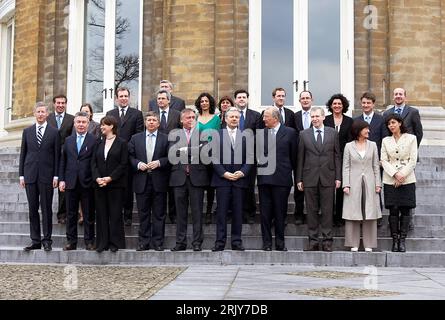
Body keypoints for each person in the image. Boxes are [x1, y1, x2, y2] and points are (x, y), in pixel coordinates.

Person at [297, 107, 341, 252]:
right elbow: (300, 158)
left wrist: (338, 177)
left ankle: (327, 241)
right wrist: (299, 179)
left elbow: (336, 156)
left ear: (323, 117)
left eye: (317, 116)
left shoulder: (333, 133)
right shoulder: (304, 134)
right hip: (309, 177)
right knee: (311, 210)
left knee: (328, 211)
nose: (314, 119)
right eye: (312, 116)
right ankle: (313, 241)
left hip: (328, 177)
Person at [19, 102, 60, 252]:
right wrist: (21, 175)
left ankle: (47, 240)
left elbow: (57, 156)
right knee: (32, 209)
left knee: (46, 209)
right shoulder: (27, 131)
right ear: (34, 113)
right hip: (30, 175)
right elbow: (23, 153)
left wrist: (56, 175)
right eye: (38, 112)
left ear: (47, 114)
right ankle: (35, 240)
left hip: (47, 176)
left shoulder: (54, 132)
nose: (41, 114)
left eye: (43, 112)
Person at [211, 107, 253, 251]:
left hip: (239, 180)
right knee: (221, 212)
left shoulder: (246, 136)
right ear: (226, 119)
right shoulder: (217, 135)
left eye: (237, 117)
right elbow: (214, 158)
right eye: (231, 117)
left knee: (238, 212)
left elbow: (250, 158)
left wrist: (242, 172)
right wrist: (224, 173)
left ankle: (236, 241)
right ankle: (220, 242)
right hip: (222, 180)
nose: (234, 119)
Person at [128, 112, 170, 251]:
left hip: (159, 180)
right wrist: (138, 164)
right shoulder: (135, 138)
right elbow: (129, 157)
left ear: (158, 123)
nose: (151, 122)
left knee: (159, 214)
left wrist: (159, 162)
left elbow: (170, 157)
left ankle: (158, 242)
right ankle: (143, 242)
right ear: (145, 122)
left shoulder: (166, 139)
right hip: (141, 180)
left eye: (154, 120)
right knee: (143, 213)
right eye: (149, 120)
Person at [257, 107, 298, 251]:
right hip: (264, 179)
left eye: (266, 116)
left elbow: (294, 157)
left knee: (280, 213)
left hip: (282, 179)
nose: (263, 119)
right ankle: (266, 243)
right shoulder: (260, 134)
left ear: (275, 118)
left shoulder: (290, 133)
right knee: (265, 213)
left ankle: (280, 243)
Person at [383, 88, 423, 231]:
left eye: (401, 94)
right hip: (392, 159)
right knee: (393, 197)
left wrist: (411, 149)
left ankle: (408, 221)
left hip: (407, 159)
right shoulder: (387, 113)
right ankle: (393, 222)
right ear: (393, 97)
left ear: (405, 96)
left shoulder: (413, 112)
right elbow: (385, 133)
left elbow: (419, 132)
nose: (398, 96)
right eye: (396, 94)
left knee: (407, 192)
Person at [169, 108, 209, 251]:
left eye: (193, 117)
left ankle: (197, 242)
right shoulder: (174, 135)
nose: (191, 119)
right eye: (188, 117)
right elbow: (172, 154)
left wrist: (184, 150)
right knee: (180, 213)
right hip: (179, 178)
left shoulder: (203, 134)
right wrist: (193, 150)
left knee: (197, 212)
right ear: (181, 120)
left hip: (196, 178)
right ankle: (180, 243)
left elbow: (205, 153)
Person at [59, 112, 97, 251]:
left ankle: (89, 241)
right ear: (74, 124)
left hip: (87, 183)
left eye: (83, 122)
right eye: (78, 122)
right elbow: (63, 161)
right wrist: (62, 179)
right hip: (70, 182)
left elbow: (95, 162)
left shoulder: (94, 140)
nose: (81, 125)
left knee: (88, 214)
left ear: (88, 124)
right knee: (71, 214)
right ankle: (71, 241)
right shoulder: (68, 141)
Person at [106, 87, 144, 226]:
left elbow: (138, 134)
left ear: (129, 97)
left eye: (125, 96)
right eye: (121, 96)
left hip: (128, 155)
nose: (123, 98)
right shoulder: (110, 113)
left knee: (127, 187)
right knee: (115, 186)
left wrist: (127, 149)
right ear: (116, 98)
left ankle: (127, 215)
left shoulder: (137, 114)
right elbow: (107, 133)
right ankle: (116, 214)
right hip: (113, 156)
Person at [342, 120, 382, 252]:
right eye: (366, 129)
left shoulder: (373, 145)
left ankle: (368, 243)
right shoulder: (348, 146)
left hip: (370, 182)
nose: (368, 131)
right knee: (353, 212)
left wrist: (378, 184)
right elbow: (346, 167)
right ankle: (353, 243)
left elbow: (376, 166)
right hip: (353, 183)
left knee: (369, 212)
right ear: (358, 130)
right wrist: (346, 184)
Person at [381, 114, 418, 253]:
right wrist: (395, 174)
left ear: (400, 123)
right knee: (393, 209)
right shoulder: (385, 140)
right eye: (389, 124)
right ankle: (394, 239)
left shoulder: (411, 138)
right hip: (390, 179)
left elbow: (413, 160)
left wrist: (402, 174)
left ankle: (402, 240)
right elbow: (383, 160)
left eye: (393, 123)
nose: (391, 125)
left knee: (406, 209)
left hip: (407, 178)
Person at [91, 116, 128, 252]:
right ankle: (102, 243)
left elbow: (123, 164)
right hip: (100, 185)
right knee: (101, 214)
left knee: (115, 214)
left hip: (115, 185)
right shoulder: (98, 143)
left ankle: (115, 243)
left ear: (111, 126)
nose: (101, 127)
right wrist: (97, 178)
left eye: (104, 125)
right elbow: (93, 163)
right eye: (101, 125)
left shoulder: (122, 143)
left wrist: (110, 178)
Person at [355, 92, 385, 227]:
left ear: (373, 104)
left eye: (368, 103)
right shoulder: (356, 120)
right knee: (361, 188)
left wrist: (382, 159)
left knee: (375, 188)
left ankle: (377, 215)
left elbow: (384, 140)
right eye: (364, 103)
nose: (366, 105)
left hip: (375, 160)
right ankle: (362, 214)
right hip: (360, 160)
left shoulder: (381, 120)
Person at [324, 93, 353, 227]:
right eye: (334, 104)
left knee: (341, 188)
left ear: (343, 106)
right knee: (328, 188)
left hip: (343, 157)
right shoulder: (326, 120)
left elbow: (350, 140)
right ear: (331, 105)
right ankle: (328, 216)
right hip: (327, 158)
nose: (337, 106)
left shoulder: (349, 121)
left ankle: (339, 216)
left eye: (339, 104)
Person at [234, 89, 262, 224]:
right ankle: (237, 212)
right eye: (239, 97)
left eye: (244, 97)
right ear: (235, 100)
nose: (241, 99)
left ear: (247, 99)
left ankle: (250, 213)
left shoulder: (256, 116)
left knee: (249, 185)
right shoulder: (230, 115)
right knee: (235, 184)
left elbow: (259, 134)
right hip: (232, 156)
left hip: (250, 156)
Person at [155, 89, 182, 224]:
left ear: (169, 100)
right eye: (158, 98)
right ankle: (160, 215)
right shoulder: (153, 115)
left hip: (174, 155)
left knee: (173, 188)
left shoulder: (177, 115)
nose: (160, 101)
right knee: (159, 188)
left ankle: (173, 214)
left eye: (163, 98)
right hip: (158, 155)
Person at [47, 94, 74, 224]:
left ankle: (62, 214)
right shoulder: (48, 118)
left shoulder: (71, 119)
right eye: (58, 103)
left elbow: (72, 138)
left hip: (65, 157)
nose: (60, 105)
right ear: (54, 104)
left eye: (63, 103)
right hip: (49, 157)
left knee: (63, 186)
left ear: (66, 104)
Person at [196, 92, 220, 224]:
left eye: (206, 101)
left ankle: (209, 212)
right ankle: (198, 211)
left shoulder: (216, 119)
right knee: (199, 184)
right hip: (197, 155)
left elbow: (217, 137)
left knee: (211, 185)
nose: (204, 103)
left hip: (211, 155)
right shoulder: (194, 118)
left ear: (210, 103)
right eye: (202, 101)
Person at [293, 90, 313, 225]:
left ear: (311, 100)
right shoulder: (294, 116)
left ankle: (313, 213)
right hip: (298, 155)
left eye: (307, 98)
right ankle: (299, 214)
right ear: (299, 101)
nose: (305, 100)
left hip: (313, 155)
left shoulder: (317, 115)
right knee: (298, 185)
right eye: (303, 98)